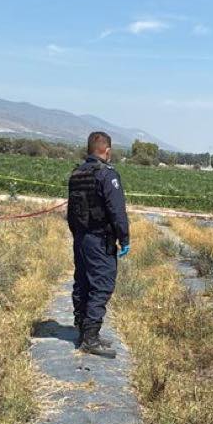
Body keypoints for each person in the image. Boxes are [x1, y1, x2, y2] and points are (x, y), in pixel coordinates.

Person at [67, 131, 130, 357]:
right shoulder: (107, 175)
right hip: (99, 240)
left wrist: (77, 234)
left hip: (80, 238)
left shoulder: (77, 173)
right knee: (101, 285)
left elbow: (71, 211)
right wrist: (124, 238)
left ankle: (83, 329)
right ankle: (90, 338)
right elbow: (117, 211)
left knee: (82, 282)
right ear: (107, 151)